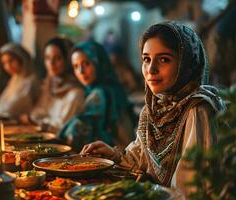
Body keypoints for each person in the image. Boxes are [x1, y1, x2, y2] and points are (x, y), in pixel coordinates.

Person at [80, 21, 225, 195]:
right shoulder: (154, 108)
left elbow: (193, 188)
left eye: (164, 59)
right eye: (146, 59)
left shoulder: (197, 109)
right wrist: (113, 154)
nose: (151, 69)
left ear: (186, 63)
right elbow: (141, 158)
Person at [58, 41, 136, 152]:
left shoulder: (101, 94)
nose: (81, 71)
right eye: (76, 66)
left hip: (117, 158)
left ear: (99, 62)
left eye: (86, 64)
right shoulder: (110, 88)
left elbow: (74, 132)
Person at [20, 37, 85, 132]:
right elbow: (38, 112)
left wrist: (37, 121)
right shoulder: (49, 85)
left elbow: (63, 126)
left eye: (58, 58)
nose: (51, 63)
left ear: (68, 60)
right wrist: (33, 119)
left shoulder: (76, 93)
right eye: (47, 58)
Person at [0, 43, 40, 118]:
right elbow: (1, 103)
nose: (8, 66)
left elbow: (10, 110)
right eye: (4, 63)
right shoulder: (15, 79)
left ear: (21, 59)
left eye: (11, 61)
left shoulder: (30, 81)